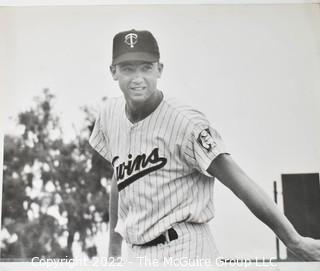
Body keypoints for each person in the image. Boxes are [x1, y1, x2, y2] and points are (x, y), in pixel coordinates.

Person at [89, 29, 320, 263]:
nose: (138, 78)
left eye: (146, 67)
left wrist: (293, 240)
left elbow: (239, 182)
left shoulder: (186, 122)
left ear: (160, 69)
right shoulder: (109, 116)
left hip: (185, 249)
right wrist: (114, 251)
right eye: (128, 68)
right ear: (113, 72)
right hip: (136, 254)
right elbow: (121, 177)